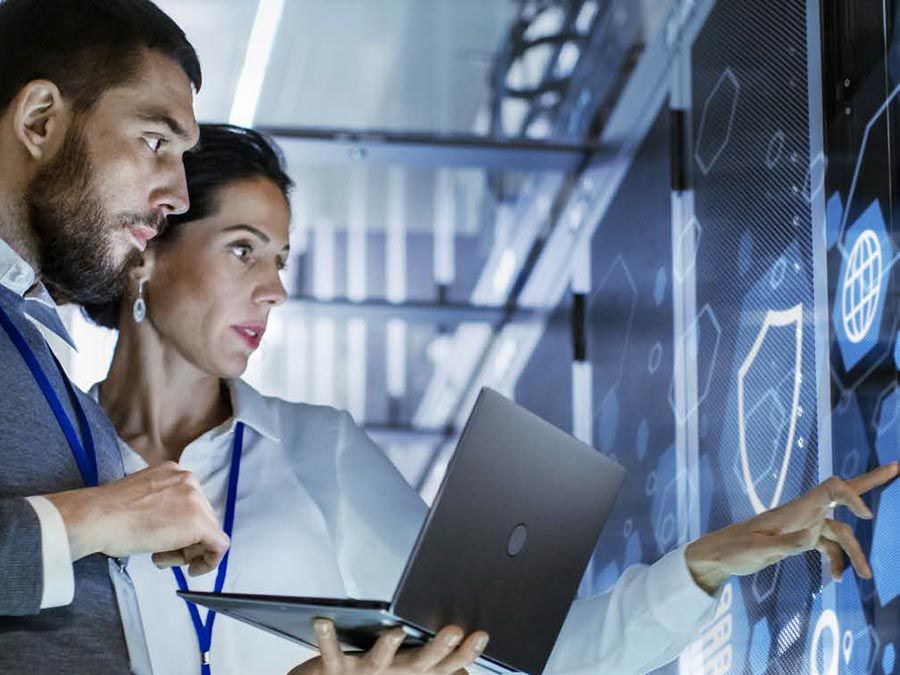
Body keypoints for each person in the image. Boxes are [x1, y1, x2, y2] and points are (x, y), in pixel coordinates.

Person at [84, 123, 900, 675]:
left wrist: (715, 558)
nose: (275, 289)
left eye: (282, 258)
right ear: (148, 249)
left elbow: (525, 653)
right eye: (243, 251)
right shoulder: (56, 463)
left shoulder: (314, 449)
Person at [0, 1, 237, 673]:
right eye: (156, 142)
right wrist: (95, 518)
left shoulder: (40, 344)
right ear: (40, 120)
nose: (180, 196)